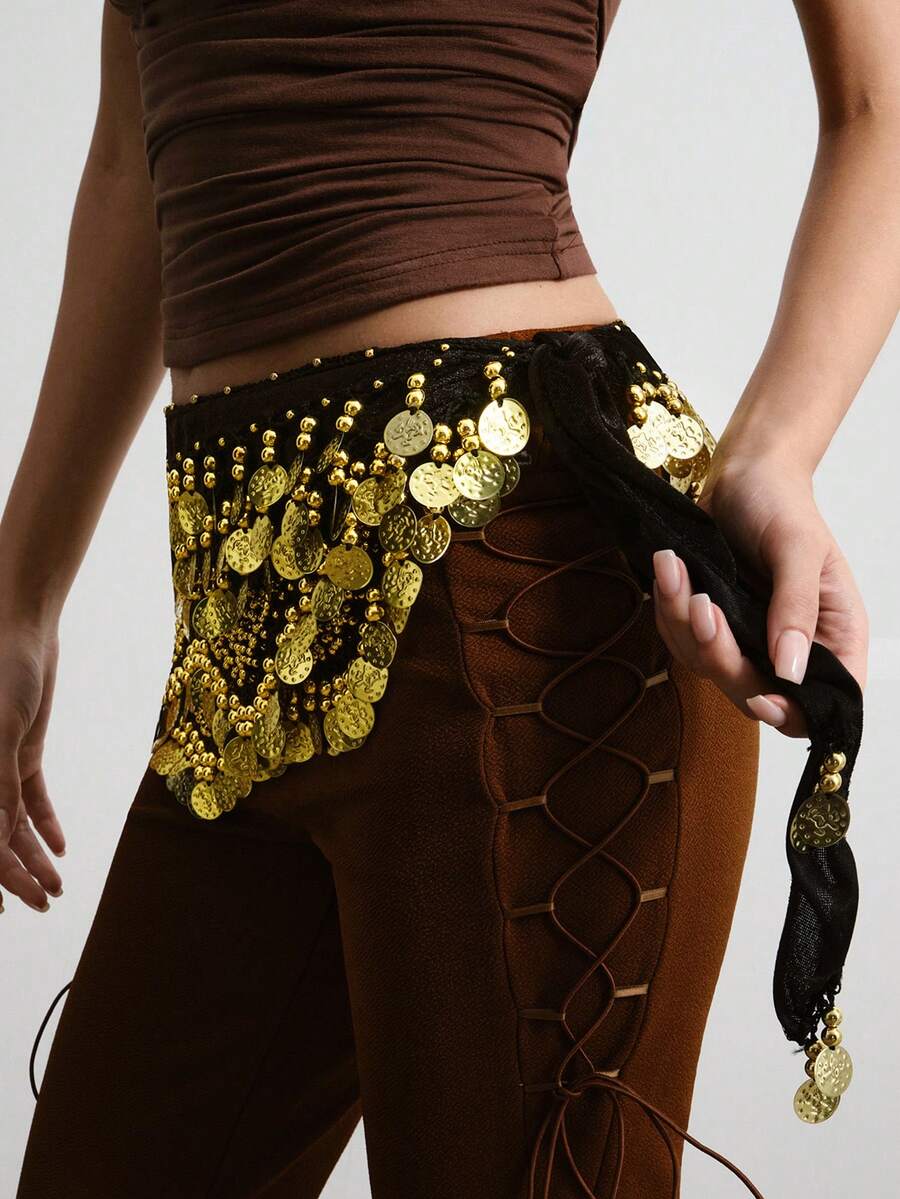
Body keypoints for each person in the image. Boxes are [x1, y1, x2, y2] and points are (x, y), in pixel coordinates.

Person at [5, 2, 894, 1196]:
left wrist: (776, 451)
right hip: (247, 634)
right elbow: (135, 157)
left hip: (532, 583)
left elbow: (879, 104)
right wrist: (21, 594)